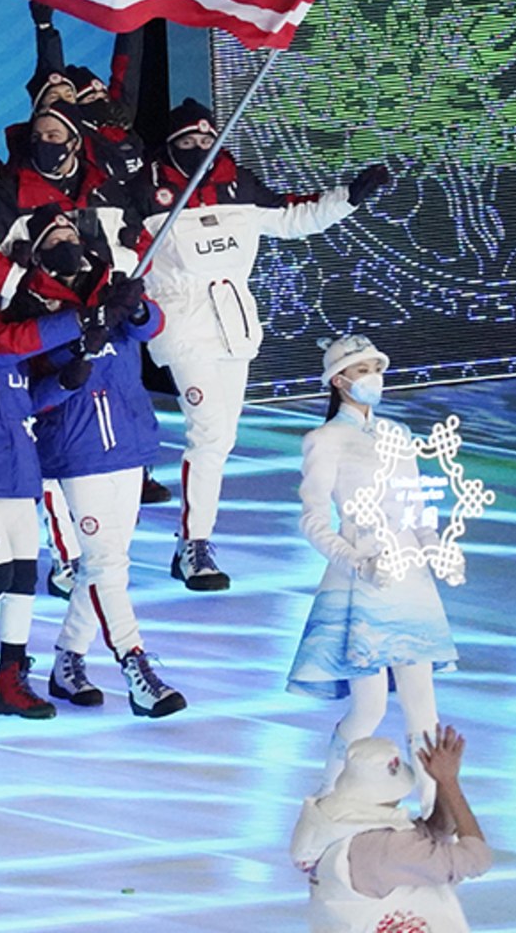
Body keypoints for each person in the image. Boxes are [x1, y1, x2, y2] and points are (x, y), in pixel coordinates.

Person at [135, 100, 392, 591]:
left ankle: (190, 541)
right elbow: (121, 247)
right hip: (184, 327)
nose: (197, 150)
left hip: (234, 326)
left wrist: (349, 198)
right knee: (208, 435)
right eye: (185, 143)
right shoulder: (147, 190)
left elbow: (294, 217)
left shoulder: (239, 184)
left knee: (222, 440)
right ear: (169, 147)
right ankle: (195, 545)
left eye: (205, 141)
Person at [0, 241, 123, 721]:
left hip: (15, 465)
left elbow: (24, 398)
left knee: (23, 579)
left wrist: (70, 378)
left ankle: (10, 678)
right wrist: (80, 321)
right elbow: (12, 345)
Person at [7, 208, 185, 718]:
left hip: (127, 441)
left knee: (106, 563)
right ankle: (135, 665)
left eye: (70, 232)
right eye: (54, 237)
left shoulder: (111, 283)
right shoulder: (26, 307)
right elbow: (31, 388)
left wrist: (132, 310)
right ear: (37, 250)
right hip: (73, 451)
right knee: (105, 564)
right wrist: (72, 360)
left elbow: (153, 328)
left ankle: (67, 660)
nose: (67, 241)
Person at [289, 334, 457, 808]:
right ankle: (329, 795)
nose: (373, 378)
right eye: (363, 371)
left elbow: (417, 505)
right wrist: (355, 560)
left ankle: (431, 806)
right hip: (362, 578)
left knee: (422, 706)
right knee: (370, 706)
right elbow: (313, 518)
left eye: (376, 368)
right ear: (340, 381)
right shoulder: (324, 440)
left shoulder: (398, 435)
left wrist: (434, 547)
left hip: (408, 578)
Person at [290, 726, 491, 932]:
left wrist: (443, 783)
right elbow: (476, 858)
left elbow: (434, 834)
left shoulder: (342, 829)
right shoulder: (387, 849)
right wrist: (449, 783)